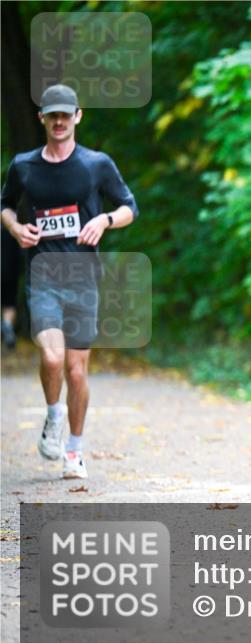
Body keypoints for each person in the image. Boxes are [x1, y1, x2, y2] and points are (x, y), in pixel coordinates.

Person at [0, 84, 138, 479]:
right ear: (41, 118)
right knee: (52, 357)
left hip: (83, 278)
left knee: (77, 372)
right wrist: (15, 228)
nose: (59, 121)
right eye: (52, 115)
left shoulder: (96, 164)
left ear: (78, 116)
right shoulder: (24, 166)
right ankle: (53, 412)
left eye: (66, 114)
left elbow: (130, 207)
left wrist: (104, 219)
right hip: (43, 274)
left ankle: (74, 451)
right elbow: (5, 205)